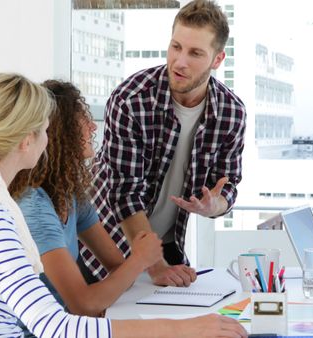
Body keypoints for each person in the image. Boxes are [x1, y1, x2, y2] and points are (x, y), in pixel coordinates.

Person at [0, 72, 246, 337]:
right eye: (43, 130)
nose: (47, 139)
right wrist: (183, 329)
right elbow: (56, 326)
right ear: (26, 141)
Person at [82, 0, 246, 287]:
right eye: (176, 47)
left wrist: (214, 206)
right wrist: (154, 266)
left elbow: (228, 186)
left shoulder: (231, 112)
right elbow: (125, 195)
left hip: (165, 245)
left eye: (195, 53)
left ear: (217, 59)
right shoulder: (131, 100)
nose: (180, 61)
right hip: (105, 246)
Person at [8, 80, 161, 317]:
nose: (93, 127)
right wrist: (140, 259)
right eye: (83, 120)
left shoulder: (69, 193)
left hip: (61, 325)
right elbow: (83, 303)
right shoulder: (34, 207)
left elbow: (117, 268)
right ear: (60, 131)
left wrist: (135, 262)